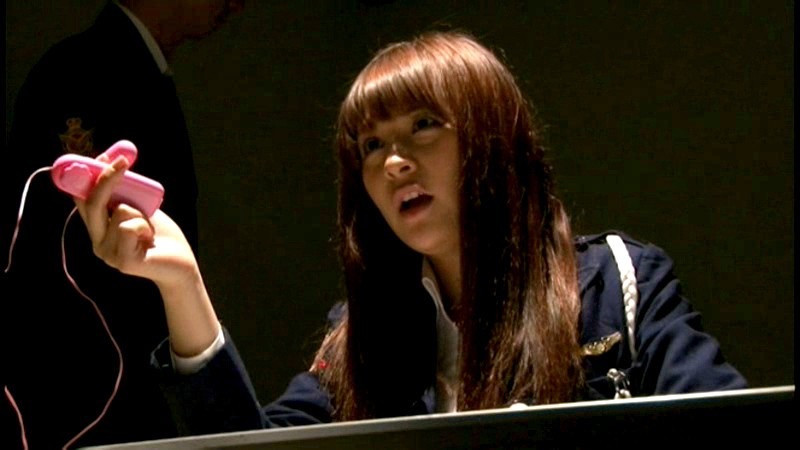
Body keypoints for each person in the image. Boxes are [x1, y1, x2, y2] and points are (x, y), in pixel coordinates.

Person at [71, 31, 746, 436]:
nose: (394, 162)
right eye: (371, 145)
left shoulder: (622, 285)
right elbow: (248, 445)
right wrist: (181, 284)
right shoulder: (359, 337)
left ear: (493, 138)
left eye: (424, 124)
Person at [1, 1, 243, 448]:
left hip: (144, 382)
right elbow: (51, 257)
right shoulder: (81, 70)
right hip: (92, 396)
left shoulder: (134, 66)